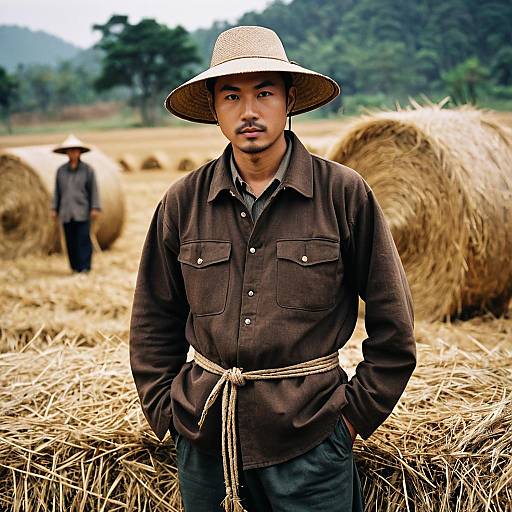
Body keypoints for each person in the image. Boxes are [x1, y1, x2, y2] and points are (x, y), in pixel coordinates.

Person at [130, 26, 416, 512]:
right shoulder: (183, 202)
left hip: (312, 443)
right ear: (215, 109)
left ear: (288, 100)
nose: (249, 112)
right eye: (232, 96)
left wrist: (350, 420)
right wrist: (167, 414)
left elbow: (395, 325)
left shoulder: (343, 194)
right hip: (206, 445)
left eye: (264, 93)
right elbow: (152, 320)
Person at [51, 134, 101, 273]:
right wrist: (54, 208)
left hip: (82, 211)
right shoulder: (60, 171)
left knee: (83, 240)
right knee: (70, 241)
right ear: (66, 153)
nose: (72, 153)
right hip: (66, 212)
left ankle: (85, 267)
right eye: (70, 150)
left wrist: (95, 207)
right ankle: (74, 267)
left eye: (75, 150)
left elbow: (94, 190)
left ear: (79, 152)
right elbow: (57, 191)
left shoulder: (88, 170)